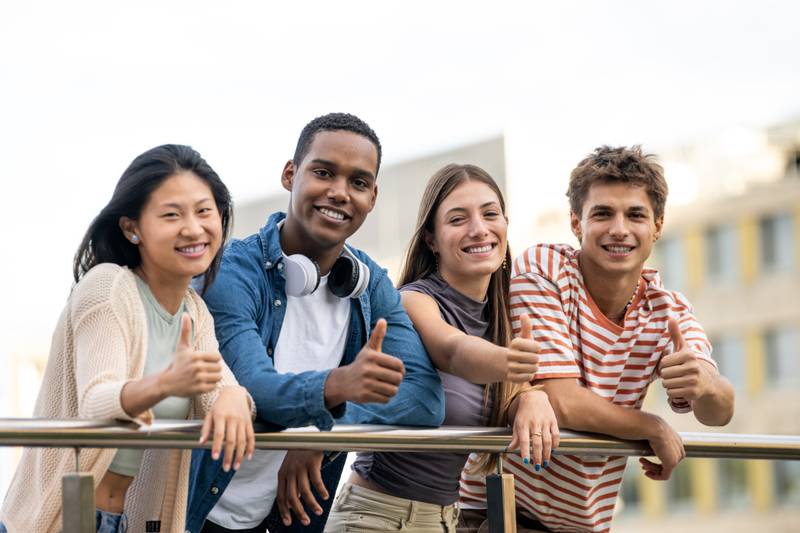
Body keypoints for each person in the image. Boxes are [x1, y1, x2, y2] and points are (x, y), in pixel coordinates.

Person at [186, 113, 445, 533]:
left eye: (358, 183)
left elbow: (424, 399)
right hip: (198, 511)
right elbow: (255, 387)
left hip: (285, 518)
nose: (340, 193)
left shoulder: (370, 283)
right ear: (290, 175)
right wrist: (335, 389)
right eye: (323, 172)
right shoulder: (231, 272)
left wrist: (324, 433)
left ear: (373, 197)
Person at [458, 145, 735, 532]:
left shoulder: (667, 309)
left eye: (635, 215)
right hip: (498, 512)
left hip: (584, 525)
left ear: (657, 225)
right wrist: (651, 427)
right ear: (576, 222)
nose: (619, 229)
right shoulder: (545, 269)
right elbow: (560, 401)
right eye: (603, 213)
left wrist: (705, 385)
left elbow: (719, 412)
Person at [0, 144, 255, 533]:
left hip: (121, 522)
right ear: (131, 227)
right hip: (61, 520)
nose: (193, 228)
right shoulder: (107, 288)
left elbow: (216, 395)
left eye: (205, 211)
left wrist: (237, 397)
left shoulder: (193, 311)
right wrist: (166, 383)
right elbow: (96, 401)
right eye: (172, 215)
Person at [323, 163, 559, 533]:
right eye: (458, 219)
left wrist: (530, 396)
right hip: (374, 517)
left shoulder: (499, 318)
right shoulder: (414, 301)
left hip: (443, 520)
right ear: (431, 239)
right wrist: (509, 362)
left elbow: (502, 391)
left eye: (490, 214)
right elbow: (453, 351)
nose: (479, 229)